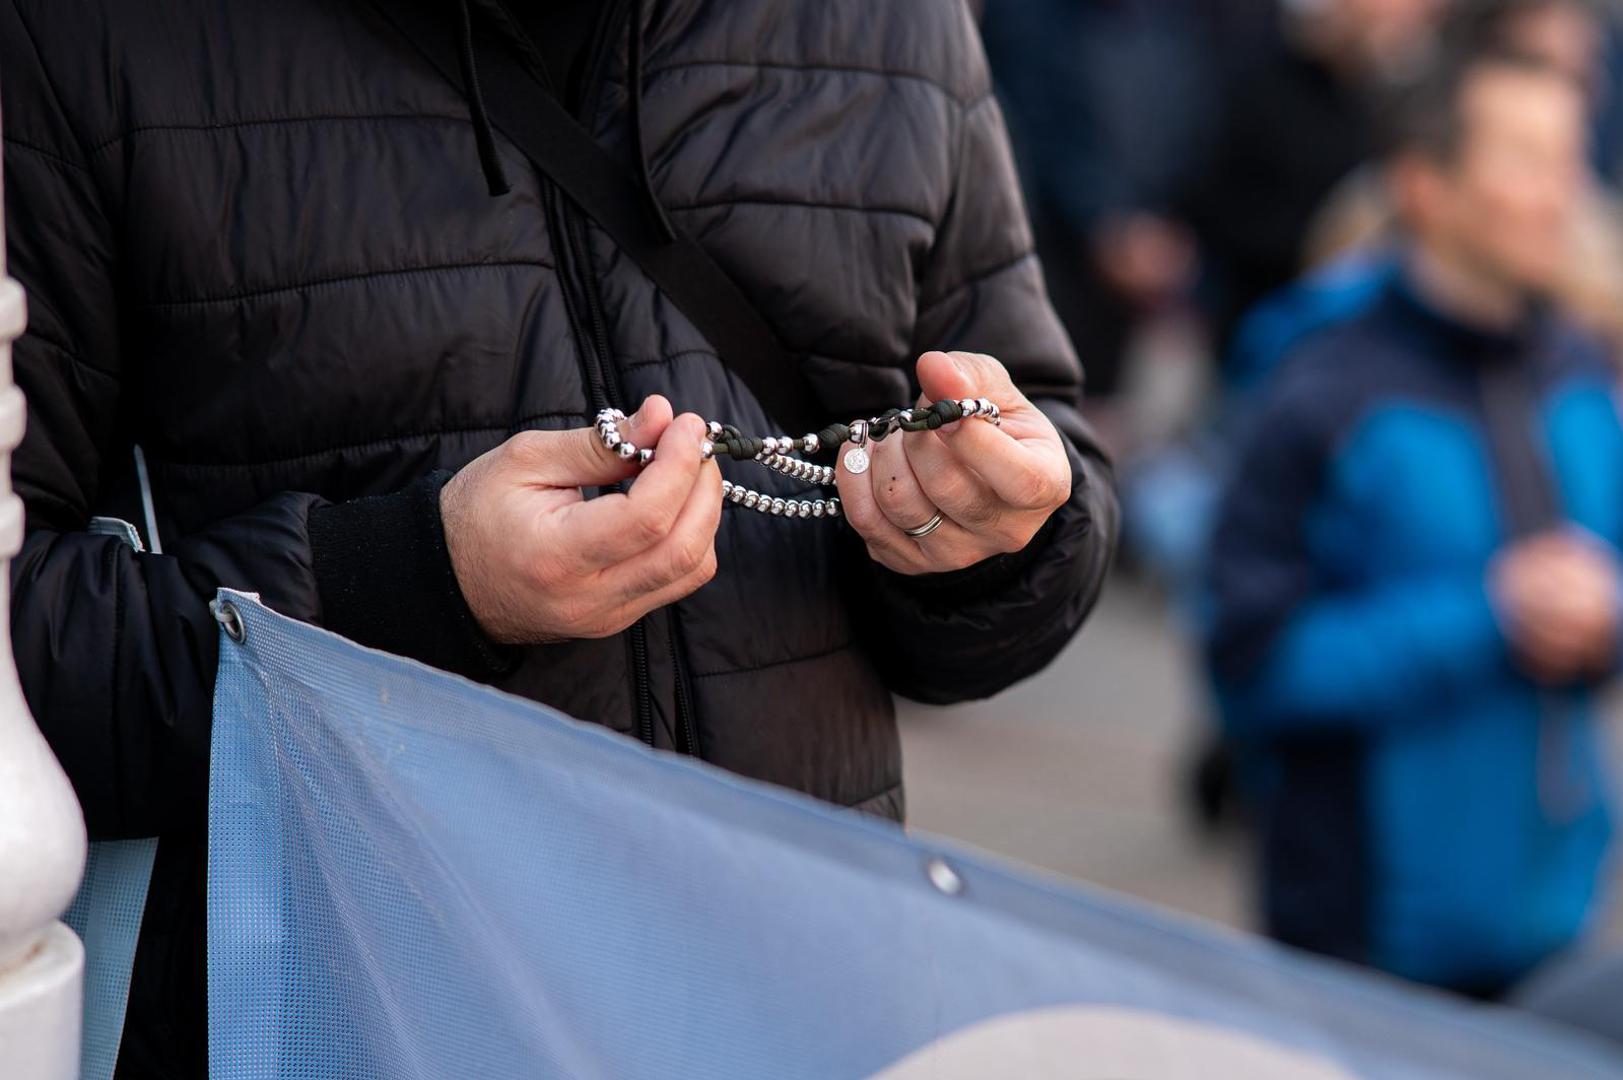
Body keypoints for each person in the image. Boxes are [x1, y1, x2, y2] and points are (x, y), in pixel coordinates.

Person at [0, 2, 1117, 1075]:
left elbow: (1044, 471)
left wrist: (998, 530)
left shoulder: (898, 23)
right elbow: (25, 660)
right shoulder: (75, 34)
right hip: (347, 1022)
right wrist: (406, 584)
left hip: (797, 1006)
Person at [1206, 50, 1617, 997]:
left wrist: (1600, 615)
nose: (1561, 195)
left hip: (1553, 923)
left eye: (1570, 159)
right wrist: (1488, 617)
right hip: (1362, 939)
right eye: (1525, 160)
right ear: (1425, 187)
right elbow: (1251, 665)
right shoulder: (1318, 389)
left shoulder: (1581, 374)